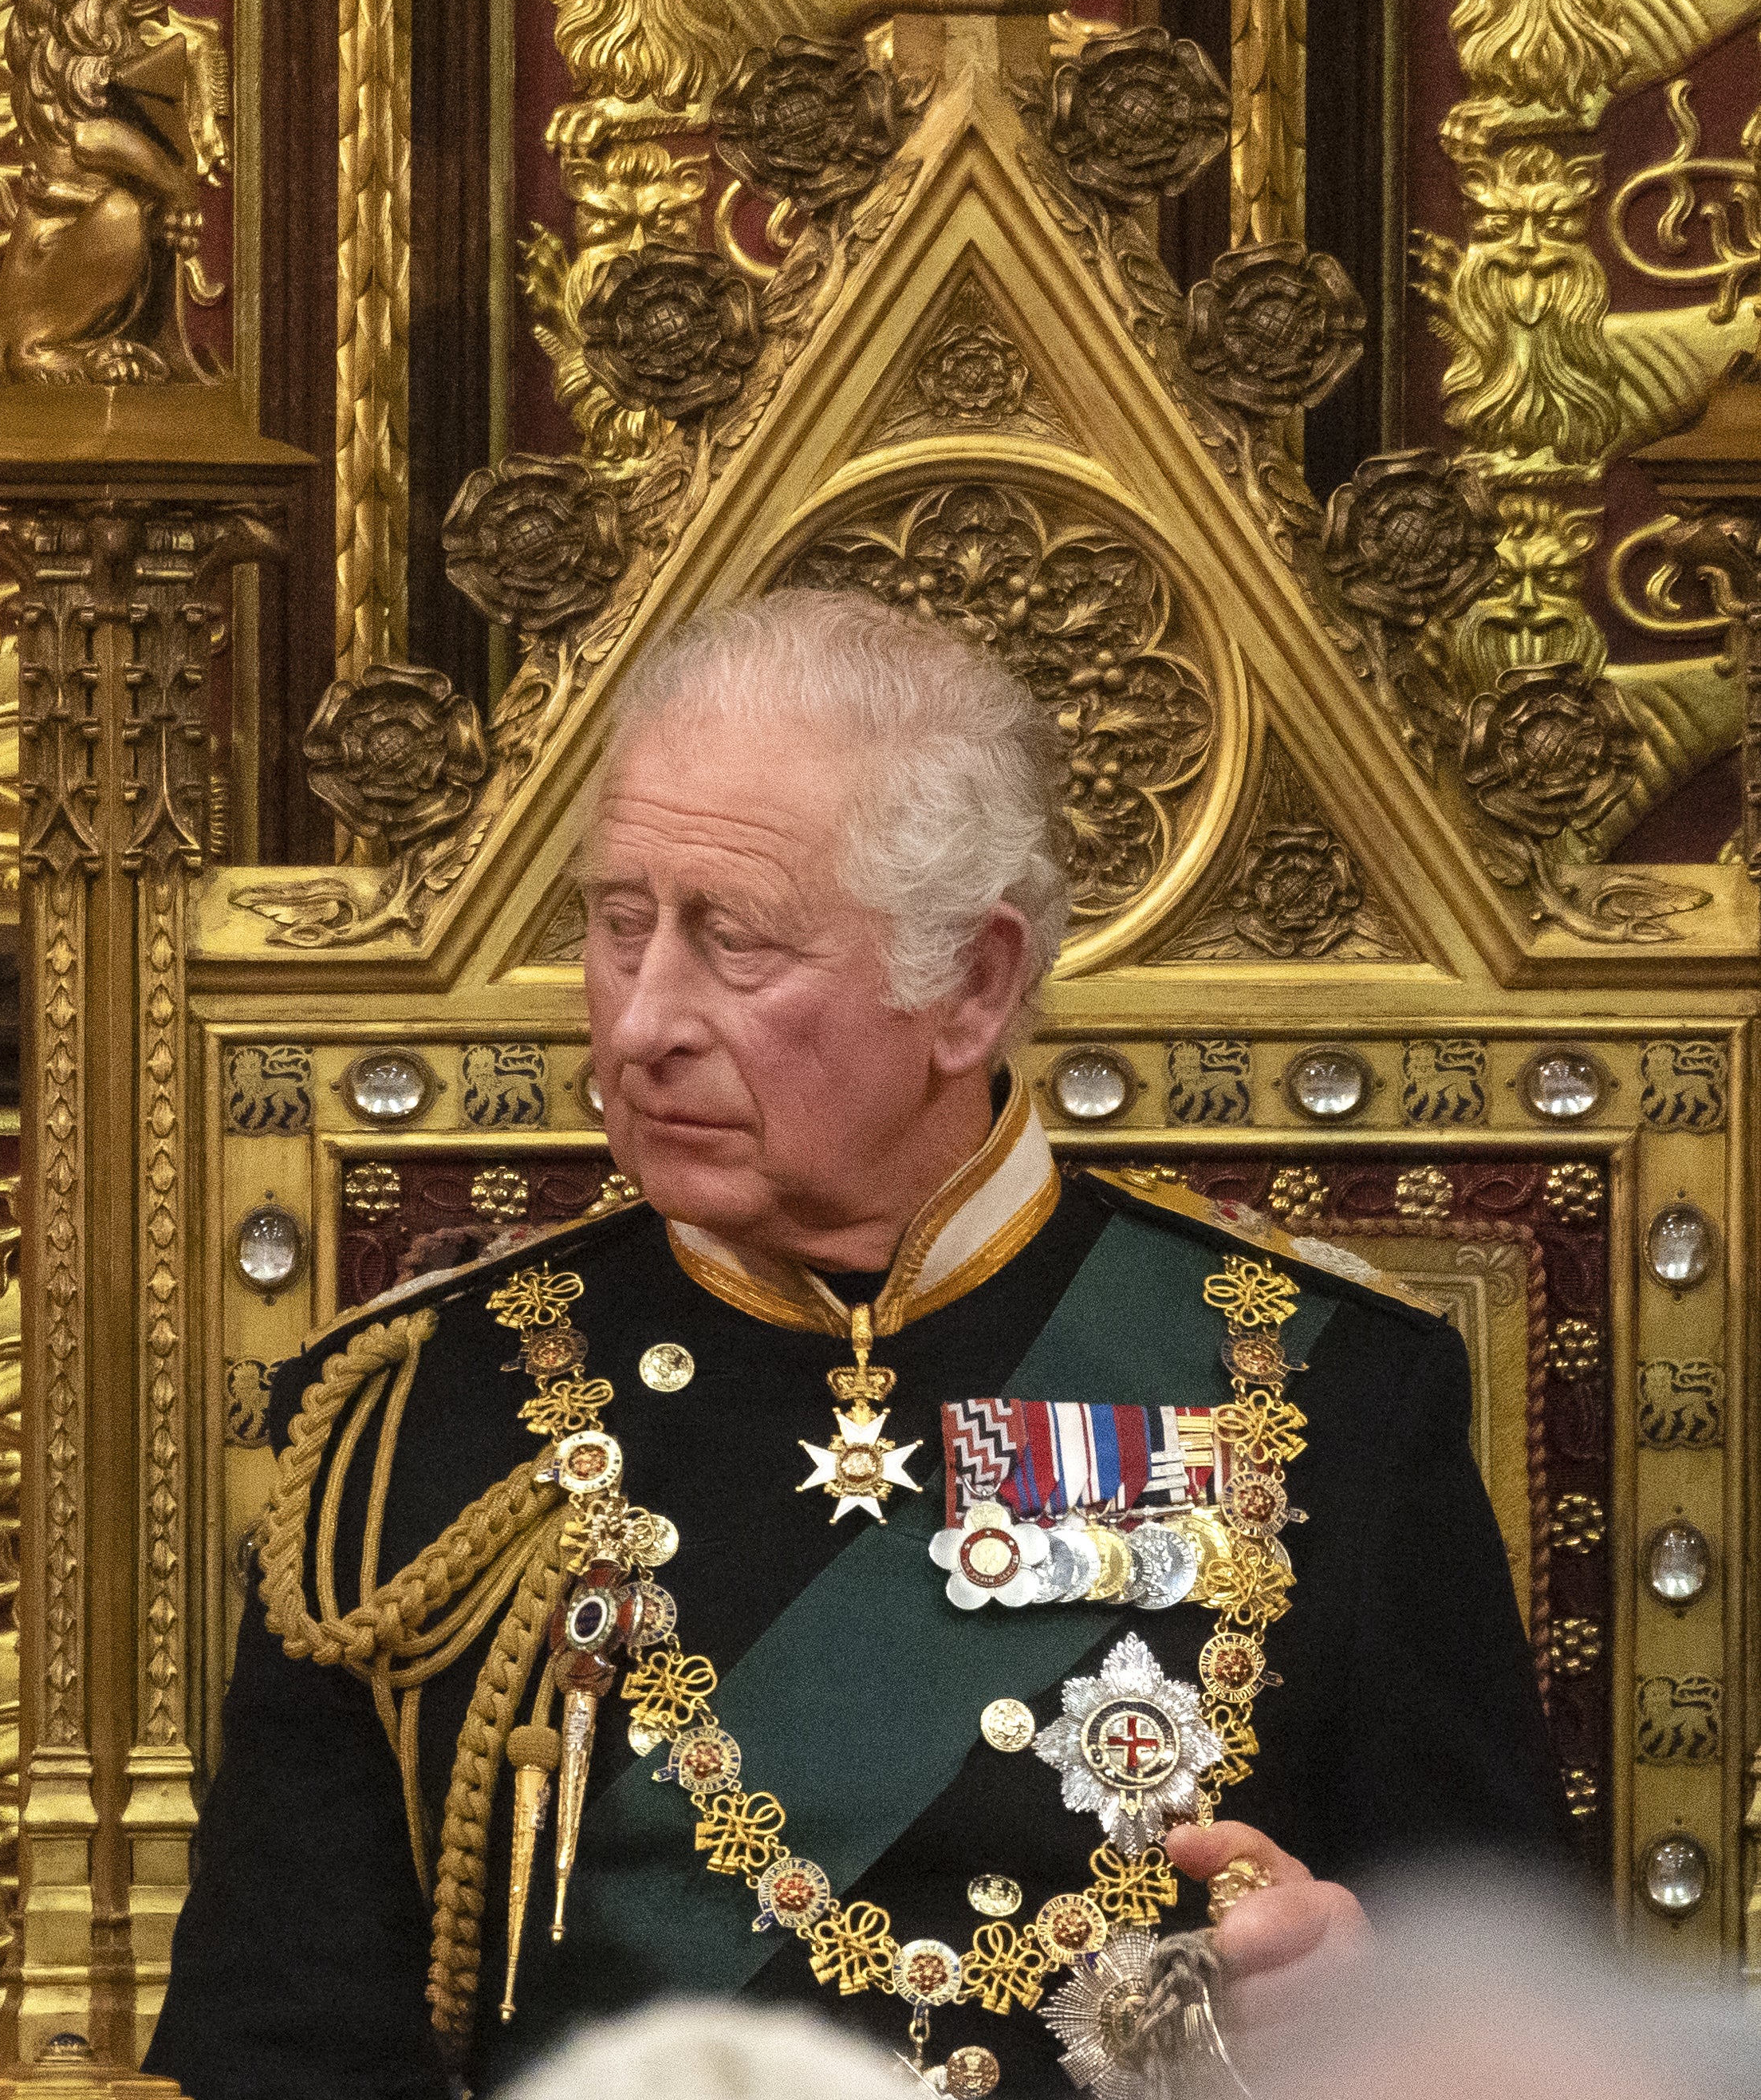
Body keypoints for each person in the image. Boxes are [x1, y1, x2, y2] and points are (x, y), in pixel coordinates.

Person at [148, 589, 1562, 2099]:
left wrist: (1377, 2009)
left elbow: (1533, 2027)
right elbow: (280, 2053)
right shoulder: (414, 1418)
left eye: (733, 944)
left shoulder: (1318, 1385)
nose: (640, 1025)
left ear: (971, 984)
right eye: (620, 927)